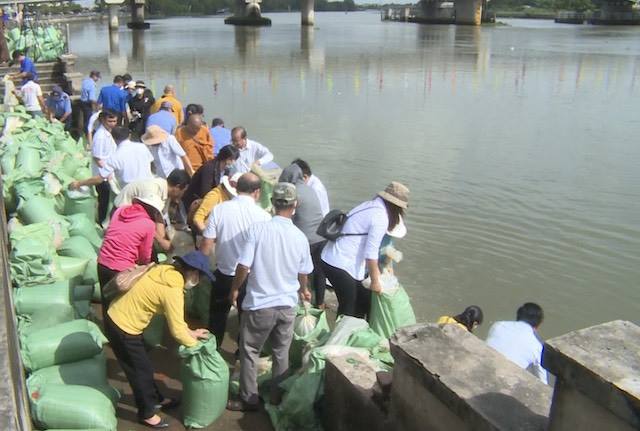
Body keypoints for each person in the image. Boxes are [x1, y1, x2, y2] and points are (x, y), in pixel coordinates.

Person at [227, 182, 313, 411]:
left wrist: (235, 288)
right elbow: (303, 273)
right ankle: (276, 397)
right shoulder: (300, 237)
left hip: (260, 305)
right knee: (280, 353)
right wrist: (303, 289)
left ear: (273, 203)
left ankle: (249, 399)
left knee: (250, 351)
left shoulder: (259, 230)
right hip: (287, 306)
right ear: (295, 205)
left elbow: (243, 266)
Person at [105, 251, 211, 428]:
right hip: (123, 326)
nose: (198, 280)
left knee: (143, 365)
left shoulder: (164, 271)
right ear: (192, 272)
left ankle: (157, 399)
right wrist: (198, 349)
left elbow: (176, 320)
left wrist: (190, 333)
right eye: (199, 275)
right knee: (140, 371)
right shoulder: (172, 289)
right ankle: (147, 413)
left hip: (119, 316)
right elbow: (177, 331)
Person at [199, 173, 271, 349]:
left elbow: (207, 244)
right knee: (246, 320)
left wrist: (199, 269)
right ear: (257, 192)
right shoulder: (264, 217)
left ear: (237, 188)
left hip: (223, 274)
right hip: (249, 278)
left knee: (216, 317)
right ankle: (241, 358)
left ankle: (212, 352)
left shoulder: (220, 209)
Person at [321, 181, 409, 318]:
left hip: (332, 257)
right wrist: (375, 282)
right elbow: (371, 252)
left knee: (359, 302)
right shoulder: (381, 217)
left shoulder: (370, 205)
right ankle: (342, 337)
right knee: (349, 309)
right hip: (340, 263)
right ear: (396, 207)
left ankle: (350, 333)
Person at [96, 194, 163, 311]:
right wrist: (144, 268)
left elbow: (112, 232)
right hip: (122, 270)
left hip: (102, 262)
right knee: (119, 308)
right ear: (153, 211)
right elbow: (145, 255)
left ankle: (104, 328)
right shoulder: (148, 224)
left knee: (106, 300)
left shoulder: (121, 210)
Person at [279, 164, 326, 308]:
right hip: (321, 238)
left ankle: (300, 300)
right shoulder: (310, 188)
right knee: (319, 273)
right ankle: (320, 304)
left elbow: (285, 217)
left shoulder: (292, 192)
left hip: (307, 240)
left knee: (299, 270)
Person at [114, 170, 190, 253]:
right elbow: (144, 222)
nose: (183, 195)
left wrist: (164, 241)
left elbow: (159, 219)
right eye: (184, 191)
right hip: (121, 219)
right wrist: (161, 241)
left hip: (133, 221)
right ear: (177, 187)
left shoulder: (166, 194)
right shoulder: (153, 190)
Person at [70, 126, 154, 192]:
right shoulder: (142, 147)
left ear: (113, 138)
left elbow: (99, 179)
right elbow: (151, 164)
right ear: (129, 136)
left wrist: (79, 183)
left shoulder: (115, 157)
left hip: (129, 192)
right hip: (149, 187)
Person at [486, 303, 548, 384]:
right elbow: (542, 382)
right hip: (502, 382)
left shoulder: (498, 325)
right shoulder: (537, 346)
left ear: (518, 316)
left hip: (483, 366)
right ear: (538, 325)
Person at [181, 144, 240, 214]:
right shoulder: (209, 168)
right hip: (194, 202)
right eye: (233, 159)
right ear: (227, 158)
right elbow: (205, 191)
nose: (234, 162)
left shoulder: (226, 170)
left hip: (212, 201)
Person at [90, 110, 118, 225]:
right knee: (104, 202)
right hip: (103, 175)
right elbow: (97, 158)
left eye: (115, 121)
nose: (113, 123)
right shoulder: (100, 136)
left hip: (108, 172)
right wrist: (108, 172)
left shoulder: (108, 132)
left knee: (109, 201)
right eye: (110, 121)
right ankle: (102, 222)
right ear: (102, 120)